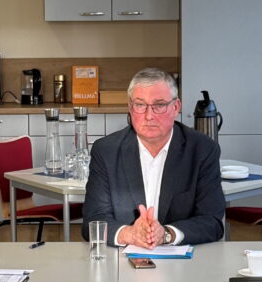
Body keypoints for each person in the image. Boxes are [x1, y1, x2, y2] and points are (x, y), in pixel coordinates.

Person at [83, 67, 225, 248]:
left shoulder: (202, 150)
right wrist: (129, 234)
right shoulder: (106, 151)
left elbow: (212, 222)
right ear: (130, 107)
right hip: (121, 260)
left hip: (185, 259)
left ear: (176, 107)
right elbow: (93, 221)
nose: (148, 116)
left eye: (159, 105)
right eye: (140, 105)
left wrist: (166, 234)